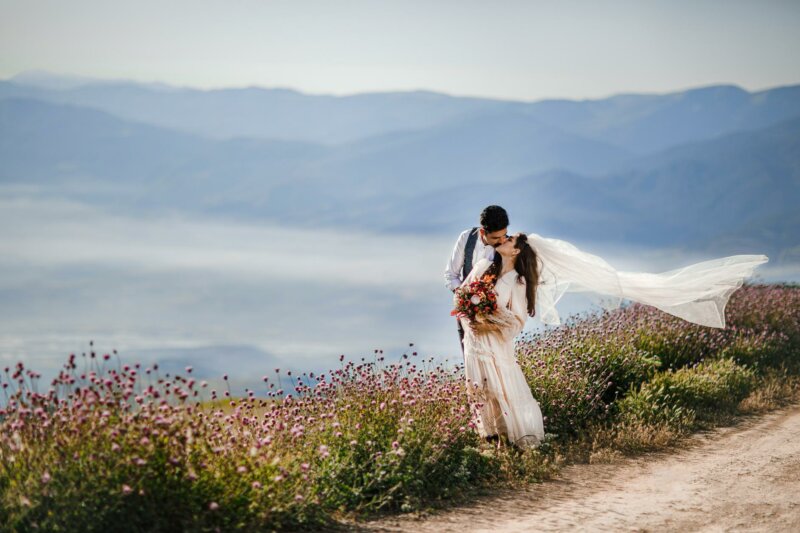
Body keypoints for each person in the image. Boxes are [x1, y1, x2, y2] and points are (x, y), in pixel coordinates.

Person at [458, 233, 545, 449]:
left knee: (498, 390)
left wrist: (487, 325)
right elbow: (461, 295)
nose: (503, 240)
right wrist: (470, 317)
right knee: (480, 390)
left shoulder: (518, 281)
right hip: (474, 341)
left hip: (495, 344)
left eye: (509, 240)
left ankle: (508, 441)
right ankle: (490, 439)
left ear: (516, 251)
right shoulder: (484, 267)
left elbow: (517, 321)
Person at [445, 205, 510, 353]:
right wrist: (465, 298)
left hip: (496, 319)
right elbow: (451, 275)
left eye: (504, 235)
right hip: (466, 317)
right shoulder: (466, 238)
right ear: (482, 232)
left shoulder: (509, 246)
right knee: (470, 359)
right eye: (495, 238)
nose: (502, 240)